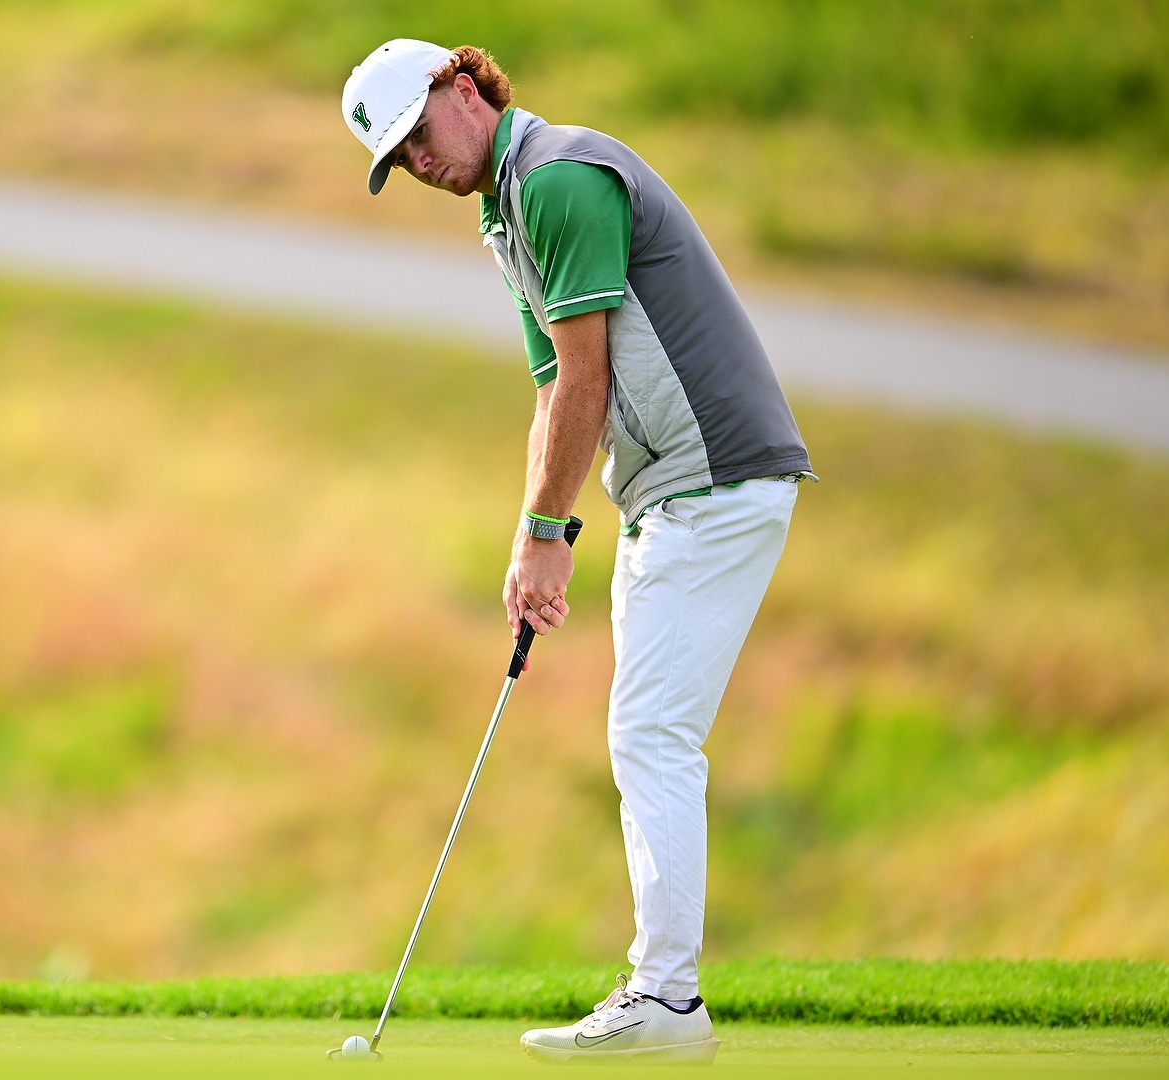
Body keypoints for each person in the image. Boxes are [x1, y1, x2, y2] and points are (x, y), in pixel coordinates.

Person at [340, 40, 816, 1064]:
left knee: (651, 737)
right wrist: (529, 544)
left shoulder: (556, 179)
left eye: (420, 131)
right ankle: (664, 992)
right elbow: (553, 390)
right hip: (670, 492)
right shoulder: (505, 213)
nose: (419, 159)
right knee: (642, 735)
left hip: (717, 477)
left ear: (463, 88)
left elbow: (590, 378)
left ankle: (668, 998)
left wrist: (554, 535)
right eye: (399, 156)